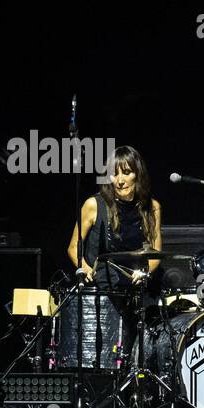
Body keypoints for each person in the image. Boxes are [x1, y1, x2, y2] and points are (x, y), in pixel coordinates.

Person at [64, 146, 163, 365]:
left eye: (126, 172)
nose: (119, 180)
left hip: (135, 290)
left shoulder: (152, 207)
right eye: (114, 173)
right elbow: (73, 247)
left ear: (138, 174)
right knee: (104, 357)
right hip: (102, 290)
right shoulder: (93, 204)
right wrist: (85, 268)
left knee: (139, 354)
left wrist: (145, 272)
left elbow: (155, 253)